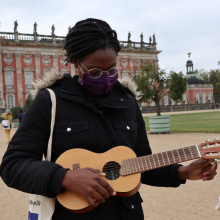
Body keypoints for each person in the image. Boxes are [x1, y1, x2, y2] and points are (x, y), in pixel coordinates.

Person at [0, 18, 217, 220]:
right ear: (75, 63)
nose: (106, 78)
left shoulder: (128, 102)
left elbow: (140, 162)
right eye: (95, 72)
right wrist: (63, 177)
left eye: (112, 70)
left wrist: (182, 172)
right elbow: (12, 165)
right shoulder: (50, 101)